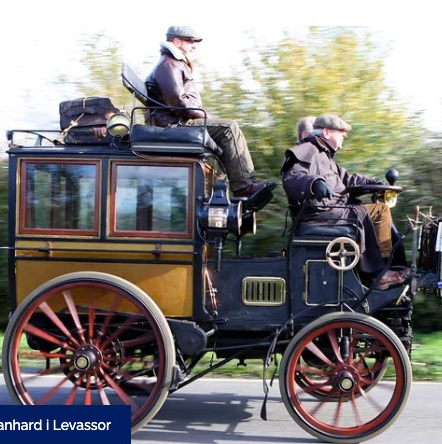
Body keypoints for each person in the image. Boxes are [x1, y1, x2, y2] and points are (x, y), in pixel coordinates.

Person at [281, 114, 409, 290]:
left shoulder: (324, 156)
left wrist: (373, 183)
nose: (344, 136)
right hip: (321, 215)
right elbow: (292, 178)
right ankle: (378, 272)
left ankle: (384, 266)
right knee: (375, 212)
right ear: (326, 132)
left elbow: (347, 178)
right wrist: (314, 184)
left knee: (378, 210)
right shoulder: (308, 150)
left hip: (333, 211)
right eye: (340, 132)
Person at [145, 26, 273, 199]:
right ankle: (243, 186)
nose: (193, 46)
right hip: (175, 124)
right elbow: (178, 102)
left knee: (226, 129)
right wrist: (203, 115)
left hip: (178, 120)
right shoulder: (168, 65)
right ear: (176, 42)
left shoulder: (174, 63)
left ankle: (239, 183)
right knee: (229, 128)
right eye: (190, 41)